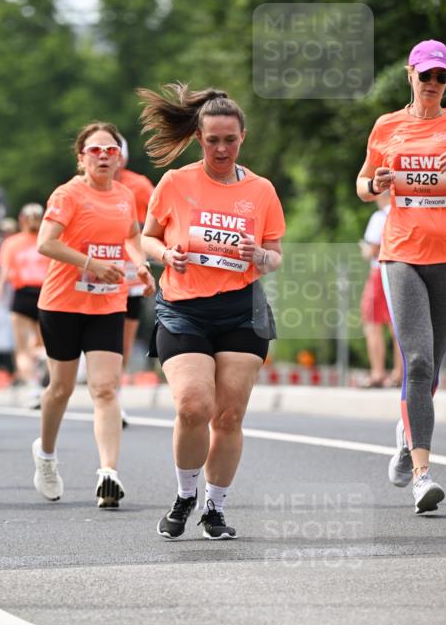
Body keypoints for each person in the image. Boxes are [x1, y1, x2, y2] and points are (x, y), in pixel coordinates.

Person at [138, 83, 285, 540]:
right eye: (213, 139)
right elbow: (146, 237)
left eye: (230, 139)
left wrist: (258, 253)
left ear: (243, 137)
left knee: (229, 416)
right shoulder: (176, 183)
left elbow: (276, 253)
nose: (221, 148)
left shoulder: (261, 190)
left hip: (242, 310)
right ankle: (185, 494)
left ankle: (214, 508)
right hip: (184, 308)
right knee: (193, 406)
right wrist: (166, 254)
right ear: (199, 138)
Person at [32, 121, 155, 507]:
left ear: (120, 158)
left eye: (111, 151)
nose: (103, 156)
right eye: (95, 151)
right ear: (81, 157)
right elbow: (45, 243)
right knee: (61, 389)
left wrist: (140, 265)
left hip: (108, 303)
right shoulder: (68, 194)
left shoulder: (123, 196)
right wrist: (91, 264)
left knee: (104, 388)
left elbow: (132, 237)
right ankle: (47, 457)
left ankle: (108, 473)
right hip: (62, 304)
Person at [356, 39, 446, 515]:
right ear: (410, 75)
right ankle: (422, 475)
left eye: (441, 78)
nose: (433, 85)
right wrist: (376, 185)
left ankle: (404, 436)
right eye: (426, 75)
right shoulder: (387, 125)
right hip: (402, 254)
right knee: (418, 359)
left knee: (431, 367)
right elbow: (362, 182)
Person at [114, 137, 155, 425]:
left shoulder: (139, 185)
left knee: (125, 339)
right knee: (101, 337)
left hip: (131, 273)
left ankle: (113, 396)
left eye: (114, 153)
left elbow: (160, 220)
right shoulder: (80, 188)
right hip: (96, 274)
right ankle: (104, 391)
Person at [0, 203, 49, 405]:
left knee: (22, 348)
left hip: (22, 295)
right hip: (45, 294)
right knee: (45, 343)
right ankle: (43, 360)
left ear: (21, 221)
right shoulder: (49, 240)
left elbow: (4, 272)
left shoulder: (12, 243)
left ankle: (33, 388)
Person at [358, 197, 402, 388]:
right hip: (401, 271)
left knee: (372, 322)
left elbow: (373, 249)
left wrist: (365, 250)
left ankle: (377, 373)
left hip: (380, 272)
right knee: (397, 324)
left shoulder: (379, 217)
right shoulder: (403, 213)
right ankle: (399, 373)